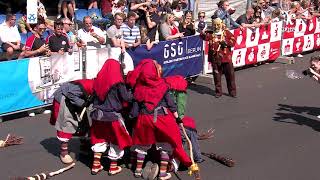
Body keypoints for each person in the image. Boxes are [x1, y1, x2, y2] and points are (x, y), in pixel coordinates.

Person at [126, 59, 192, 180]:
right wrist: (178, 119)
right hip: (162, 119)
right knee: (166, 144)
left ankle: (138, 170)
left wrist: (132, 119)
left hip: (144, 118)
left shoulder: (139, 88)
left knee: (142, 144)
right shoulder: (162, 84)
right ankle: (162, 173)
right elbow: (171, 104)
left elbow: (134, 111)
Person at [90, 59, 133, 175]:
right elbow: (126, 98)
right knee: (116, 140)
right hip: (112, 116)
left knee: (99, 138)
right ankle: (113, 167)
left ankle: (96, 165)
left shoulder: (97, 80)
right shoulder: (118, 82)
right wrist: (133, 92)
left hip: (97, 116)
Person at [50, 79, 94, 164]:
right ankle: (64, 153)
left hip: (77, 98)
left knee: (83, 123)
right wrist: (82, 103)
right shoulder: (89, 86)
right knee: (66, 124)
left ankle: (84, 146)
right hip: (65, 98)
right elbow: (70, 93)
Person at [201, 18, 236, 98]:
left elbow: (233, 41)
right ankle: (218, 92)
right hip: (215, 58)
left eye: (218, 24)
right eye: (214, 24)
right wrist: (202, 32)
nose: (216, 26)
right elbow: (203, 37)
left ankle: (232, 91)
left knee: (230, 75)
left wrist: (226, 43)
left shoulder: (226, 33)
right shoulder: (210, 34)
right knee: (217, 76)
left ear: (221, 24)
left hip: (226, 58)